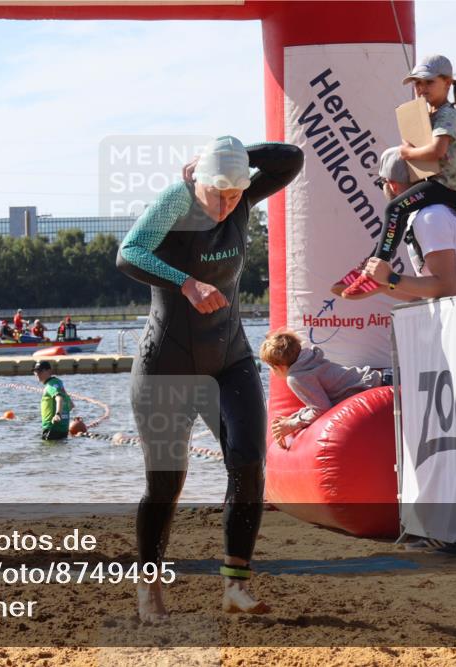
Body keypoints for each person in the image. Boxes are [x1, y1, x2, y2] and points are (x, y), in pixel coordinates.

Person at [117, 135, 303, 621]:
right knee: (166, 483)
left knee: (248, 464)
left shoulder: (241, 199)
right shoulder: (177, 201)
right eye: (217, 194)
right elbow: (128, 253)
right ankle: (149, 590)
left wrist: (234, 155)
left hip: (229, 358)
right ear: (198, 184)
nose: (225, 205)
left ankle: (235, 586)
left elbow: (291, 159)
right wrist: (185, 282)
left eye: (235, 194)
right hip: (167, 365)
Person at [338, 54, 456, 297]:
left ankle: (377, 267)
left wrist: (408, 153)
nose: (421, 89)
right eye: (417, 84)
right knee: (398, 212)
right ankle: (373, 263)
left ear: (448, 83)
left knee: (395, 209)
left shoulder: (446, 114)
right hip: (441, 183)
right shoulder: (431, 114)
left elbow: (437, 150)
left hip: (449, 186)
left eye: (428, 82)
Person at [360, 147, 456, 299]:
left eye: (381, 182)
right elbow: (427, 294)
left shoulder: (430, 217)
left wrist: (391, 278)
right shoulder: (429, 214)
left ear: (392, 184)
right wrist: (381, 285)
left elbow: (447, 289)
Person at [259, 329, 383, 445]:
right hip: (382, 378)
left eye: (270, 367)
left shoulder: (296, 377)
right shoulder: (307, 361)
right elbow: (319, 403)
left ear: (279, 367)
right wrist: (293, 418)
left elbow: (322, 409)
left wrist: (291, 425)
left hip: (378, 386)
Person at [33, 360, 73, 440]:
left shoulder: (51, 385)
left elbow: (59, 398)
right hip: (63, 428)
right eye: (35, 371)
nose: (37, 374)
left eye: (40, 371)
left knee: (47, 451)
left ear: (49, 371)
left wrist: (57, 414)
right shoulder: (59, 384)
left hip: (52, 427)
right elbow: (71, 405)